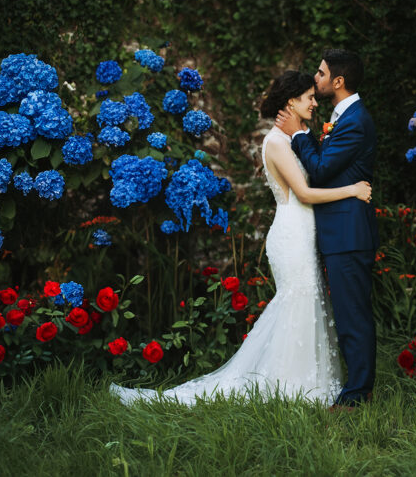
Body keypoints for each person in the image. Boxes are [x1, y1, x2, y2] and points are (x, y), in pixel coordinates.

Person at [110, 70, 371, 406]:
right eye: (307, 96)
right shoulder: (276, 142)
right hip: (292, 234)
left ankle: (306, 383)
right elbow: (305, 193)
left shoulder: (300, 134)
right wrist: (351, 190)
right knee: (298, 303)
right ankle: (288, 388)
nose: (313, 102)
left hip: (307, 233)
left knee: (309, 305)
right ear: (291, 101)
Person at [275, 48, 379, 409]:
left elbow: (320, 171)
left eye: (320, 74)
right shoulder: (342, 118)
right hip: (338, 233)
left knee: (353, 316)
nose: (314, 79)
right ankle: (355, 386)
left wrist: (298, 134)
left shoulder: (355, 121)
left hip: (349, 234)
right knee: (349, 314)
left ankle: (357, 395)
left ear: (338, 81)